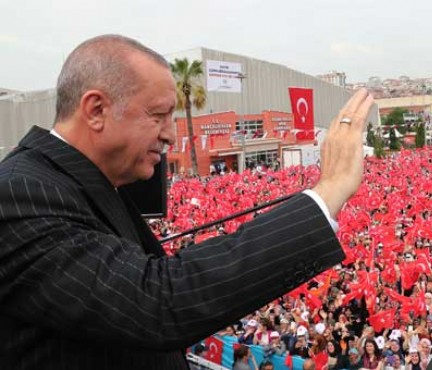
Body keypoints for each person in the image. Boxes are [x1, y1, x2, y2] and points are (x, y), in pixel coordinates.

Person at [0, 34, 374, 369]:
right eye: (159, 115)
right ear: (96, 110)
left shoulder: (83, 182)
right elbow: (156, 302)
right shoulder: (19, 193)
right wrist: (330, 190)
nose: (170, 134)